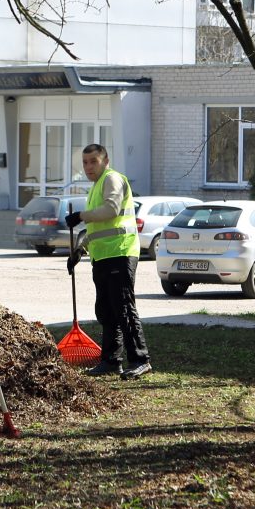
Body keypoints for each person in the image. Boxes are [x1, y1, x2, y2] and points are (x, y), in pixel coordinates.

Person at [65, 144, 152, 379]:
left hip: (120, 253)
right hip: (102, 256)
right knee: (106, 310)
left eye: (93, 161)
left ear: (106, 161)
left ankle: (140, 359)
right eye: (84, 162)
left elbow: (111, 211)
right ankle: (111, 360)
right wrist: (79, 250)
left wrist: (80, 215)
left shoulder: (112, 179)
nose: (88, 166)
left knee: (123, 308)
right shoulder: (95, 188)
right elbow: (96, 229)